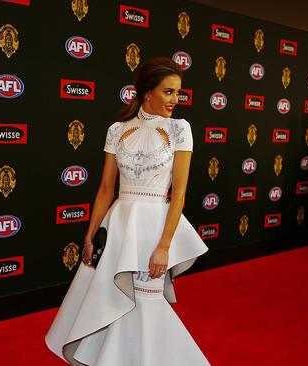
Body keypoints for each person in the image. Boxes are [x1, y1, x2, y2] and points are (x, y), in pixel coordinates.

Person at [46, 58, 210, 365]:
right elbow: (106, 189)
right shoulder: (117, 130)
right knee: (111, 300)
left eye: (178, 93)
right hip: (119, 226)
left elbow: (179, 195)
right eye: (169, 92)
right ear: (148, 92)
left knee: (146, 302)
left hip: (152, 228)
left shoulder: (179, 130)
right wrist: (90, 235)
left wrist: (164, 246)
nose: (176, 100)